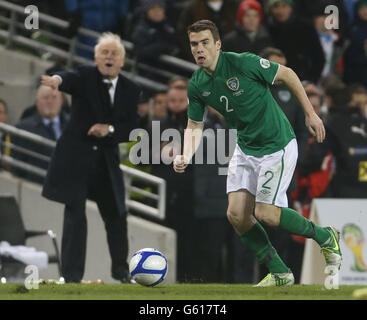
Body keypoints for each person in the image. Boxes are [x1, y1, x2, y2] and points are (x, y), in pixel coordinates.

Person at [173, 19, 342, 286]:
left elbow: (287, 74)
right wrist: (185, 154)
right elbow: (195, 124)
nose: (199, 49)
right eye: (194, 44)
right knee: (237, 215)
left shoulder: (242, 62)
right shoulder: (196, 84)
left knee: (266, 213)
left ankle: (325, 236)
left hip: (277, 145)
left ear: (218, 44)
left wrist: (311, 114)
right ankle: (280, 272)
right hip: (246, 148)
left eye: (205, 42)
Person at [40, 32, 141, 283]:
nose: (108, 57)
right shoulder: (85, 76)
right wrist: (56, 80)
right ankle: (71, 276)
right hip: (77, 159)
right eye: (103, 53)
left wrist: (110, 130)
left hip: (106, 162)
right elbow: (68, 79)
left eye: (113, 53)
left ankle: (121, 271)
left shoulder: (131, 89)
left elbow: (132, 127)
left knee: (117, 215)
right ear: (96, 59)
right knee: (75, 214)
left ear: (122, 61)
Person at [11, 86, 69, 184]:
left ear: (61, 101)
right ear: (37, 102)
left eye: (54, 97)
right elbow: (18, 166)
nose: (50, 101)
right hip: (38, 186)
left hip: (68, 185)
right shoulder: (23, 128)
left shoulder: (73, 124)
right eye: (46, 97)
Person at [266, 0, 325, 83]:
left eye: (284, 6)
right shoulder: (267, 29)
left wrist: (311, 81)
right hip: (274, 82)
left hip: (303, 81)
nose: (280, 11)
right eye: (276, 7)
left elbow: (318, 58)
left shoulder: (306, 28)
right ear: (271, 9)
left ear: (290, 8)